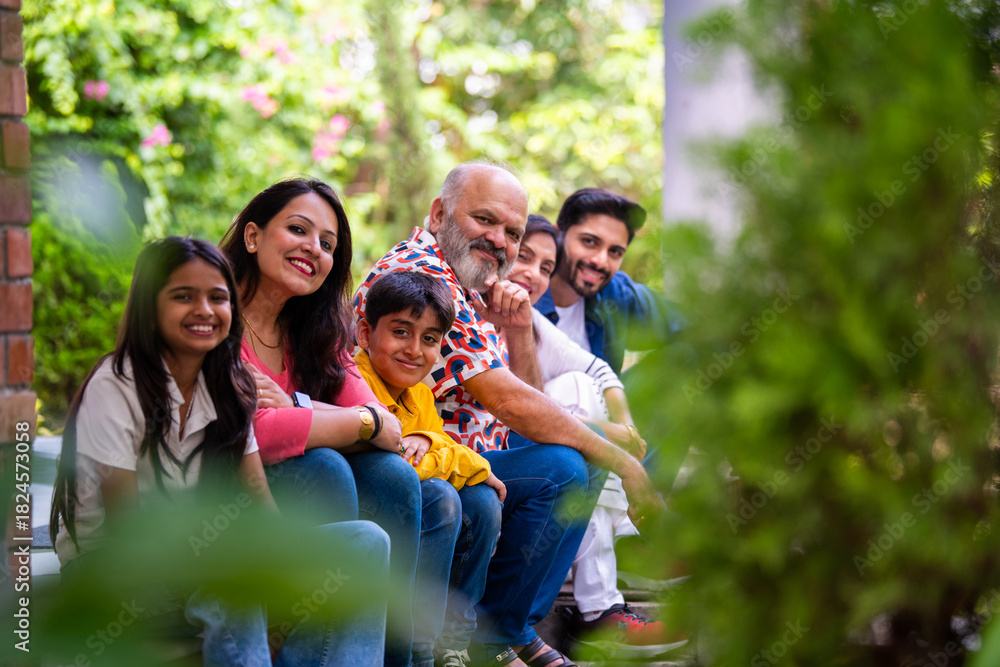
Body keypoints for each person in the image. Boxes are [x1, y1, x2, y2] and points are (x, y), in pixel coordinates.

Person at [355, 160, 661, 667]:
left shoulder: (470, 280)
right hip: (419, 458)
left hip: (469, 453)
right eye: (485, 220)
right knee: (563, 468)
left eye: (512, 232)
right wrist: (627, 463)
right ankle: (493, 640)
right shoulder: (425, 274)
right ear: (438, 214)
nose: (499, 240)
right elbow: (512, 402)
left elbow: (527, 397)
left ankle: (510, 629)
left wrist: (518, 329)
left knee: (573, 457)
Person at [49, 236, 390, 666]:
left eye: (217, 297)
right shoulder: (116, 386)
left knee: (363, 543)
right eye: (183, 296)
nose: (205, 310)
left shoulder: (226, 386)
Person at [218, 179, 421, 667]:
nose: (314, 248)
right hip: (224, 501)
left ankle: (402, 660)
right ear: (252, 237)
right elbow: (249, 435)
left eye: (327, 244)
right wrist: (348, 422)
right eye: (298, 230)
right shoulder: (213, 316)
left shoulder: (315, 331)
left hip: (291, 493)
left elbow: (387, 428)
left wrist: (292, 404)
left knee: (394, 477)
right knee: (324, 467)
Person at [508, 217, 686, 658]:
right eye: (523, 257)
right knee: (574, 406)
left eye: (544, 267)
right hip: (493, 453)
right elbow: (520, 413)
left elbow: (598, 369)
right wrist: (607, 437)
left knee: (582, 394)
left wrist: (624, 427)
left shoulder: (533, 315)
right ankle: (604, 599)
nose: (532, 273)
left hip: (549, 450)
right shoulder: (475, 309)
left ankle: (606, 591)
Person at [354, 271, 505, 666]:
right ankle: (418, 650)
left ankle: (452, 642)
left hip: (402, 498)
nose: (414, 350)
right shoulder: (356, 378)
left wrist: (435, 443)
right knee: (440, 497)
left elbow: (438, 444)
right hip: (365, 504)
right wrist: (466, 460)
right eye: (401, 332)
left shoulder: (419, 393)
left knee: (483, 500)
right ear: (364, 332)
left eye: (429, 339)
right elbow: (408, 462)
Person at [534, 188, 683, 376]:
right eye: (589, 242)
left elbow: (696, 329)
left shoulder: (616, 293)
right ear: (557, 236)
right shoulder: (523, 293)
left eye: (615, 252)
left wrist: (631, 390)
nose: (601, 261)